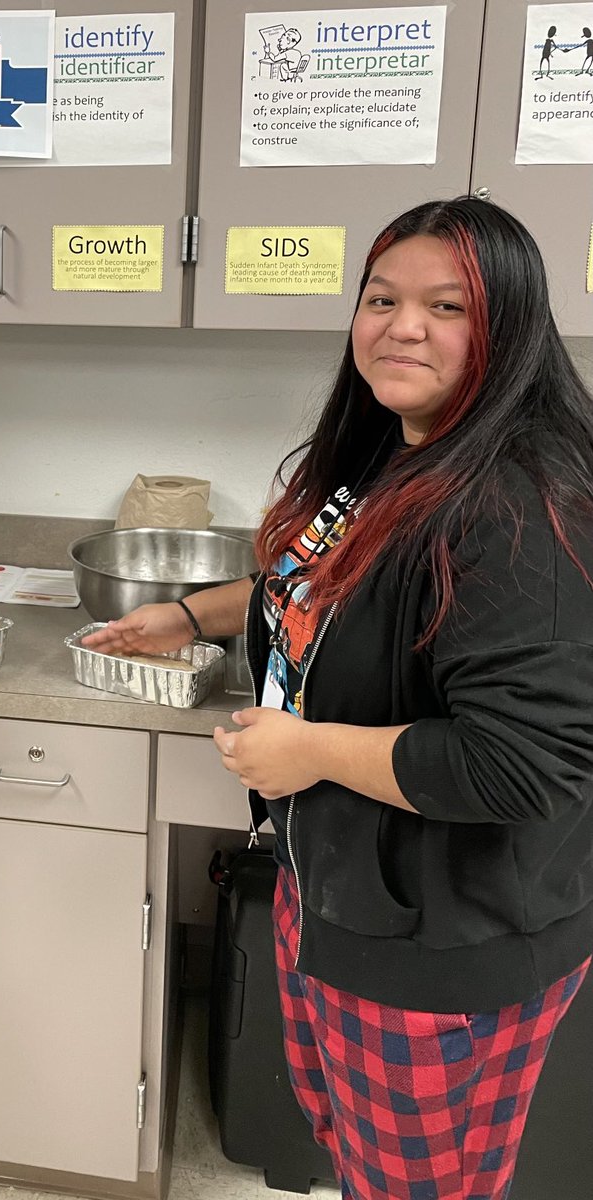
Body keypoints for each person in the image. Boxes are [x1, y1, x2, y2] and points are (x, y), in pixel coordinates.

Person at [85, 196, 593, 1200]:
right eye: (380, 298)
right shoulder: (393, 454)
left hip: (443, 937)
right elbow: (333, 585)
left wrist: (309, 752)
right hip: (340, 887)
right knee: (352, 1152)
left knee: (415, 1187)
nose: (401, 326)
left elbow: (517, 762)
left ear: (509, 326)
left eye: (446, 306)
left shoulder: (519, 504)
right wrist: (194, 615)